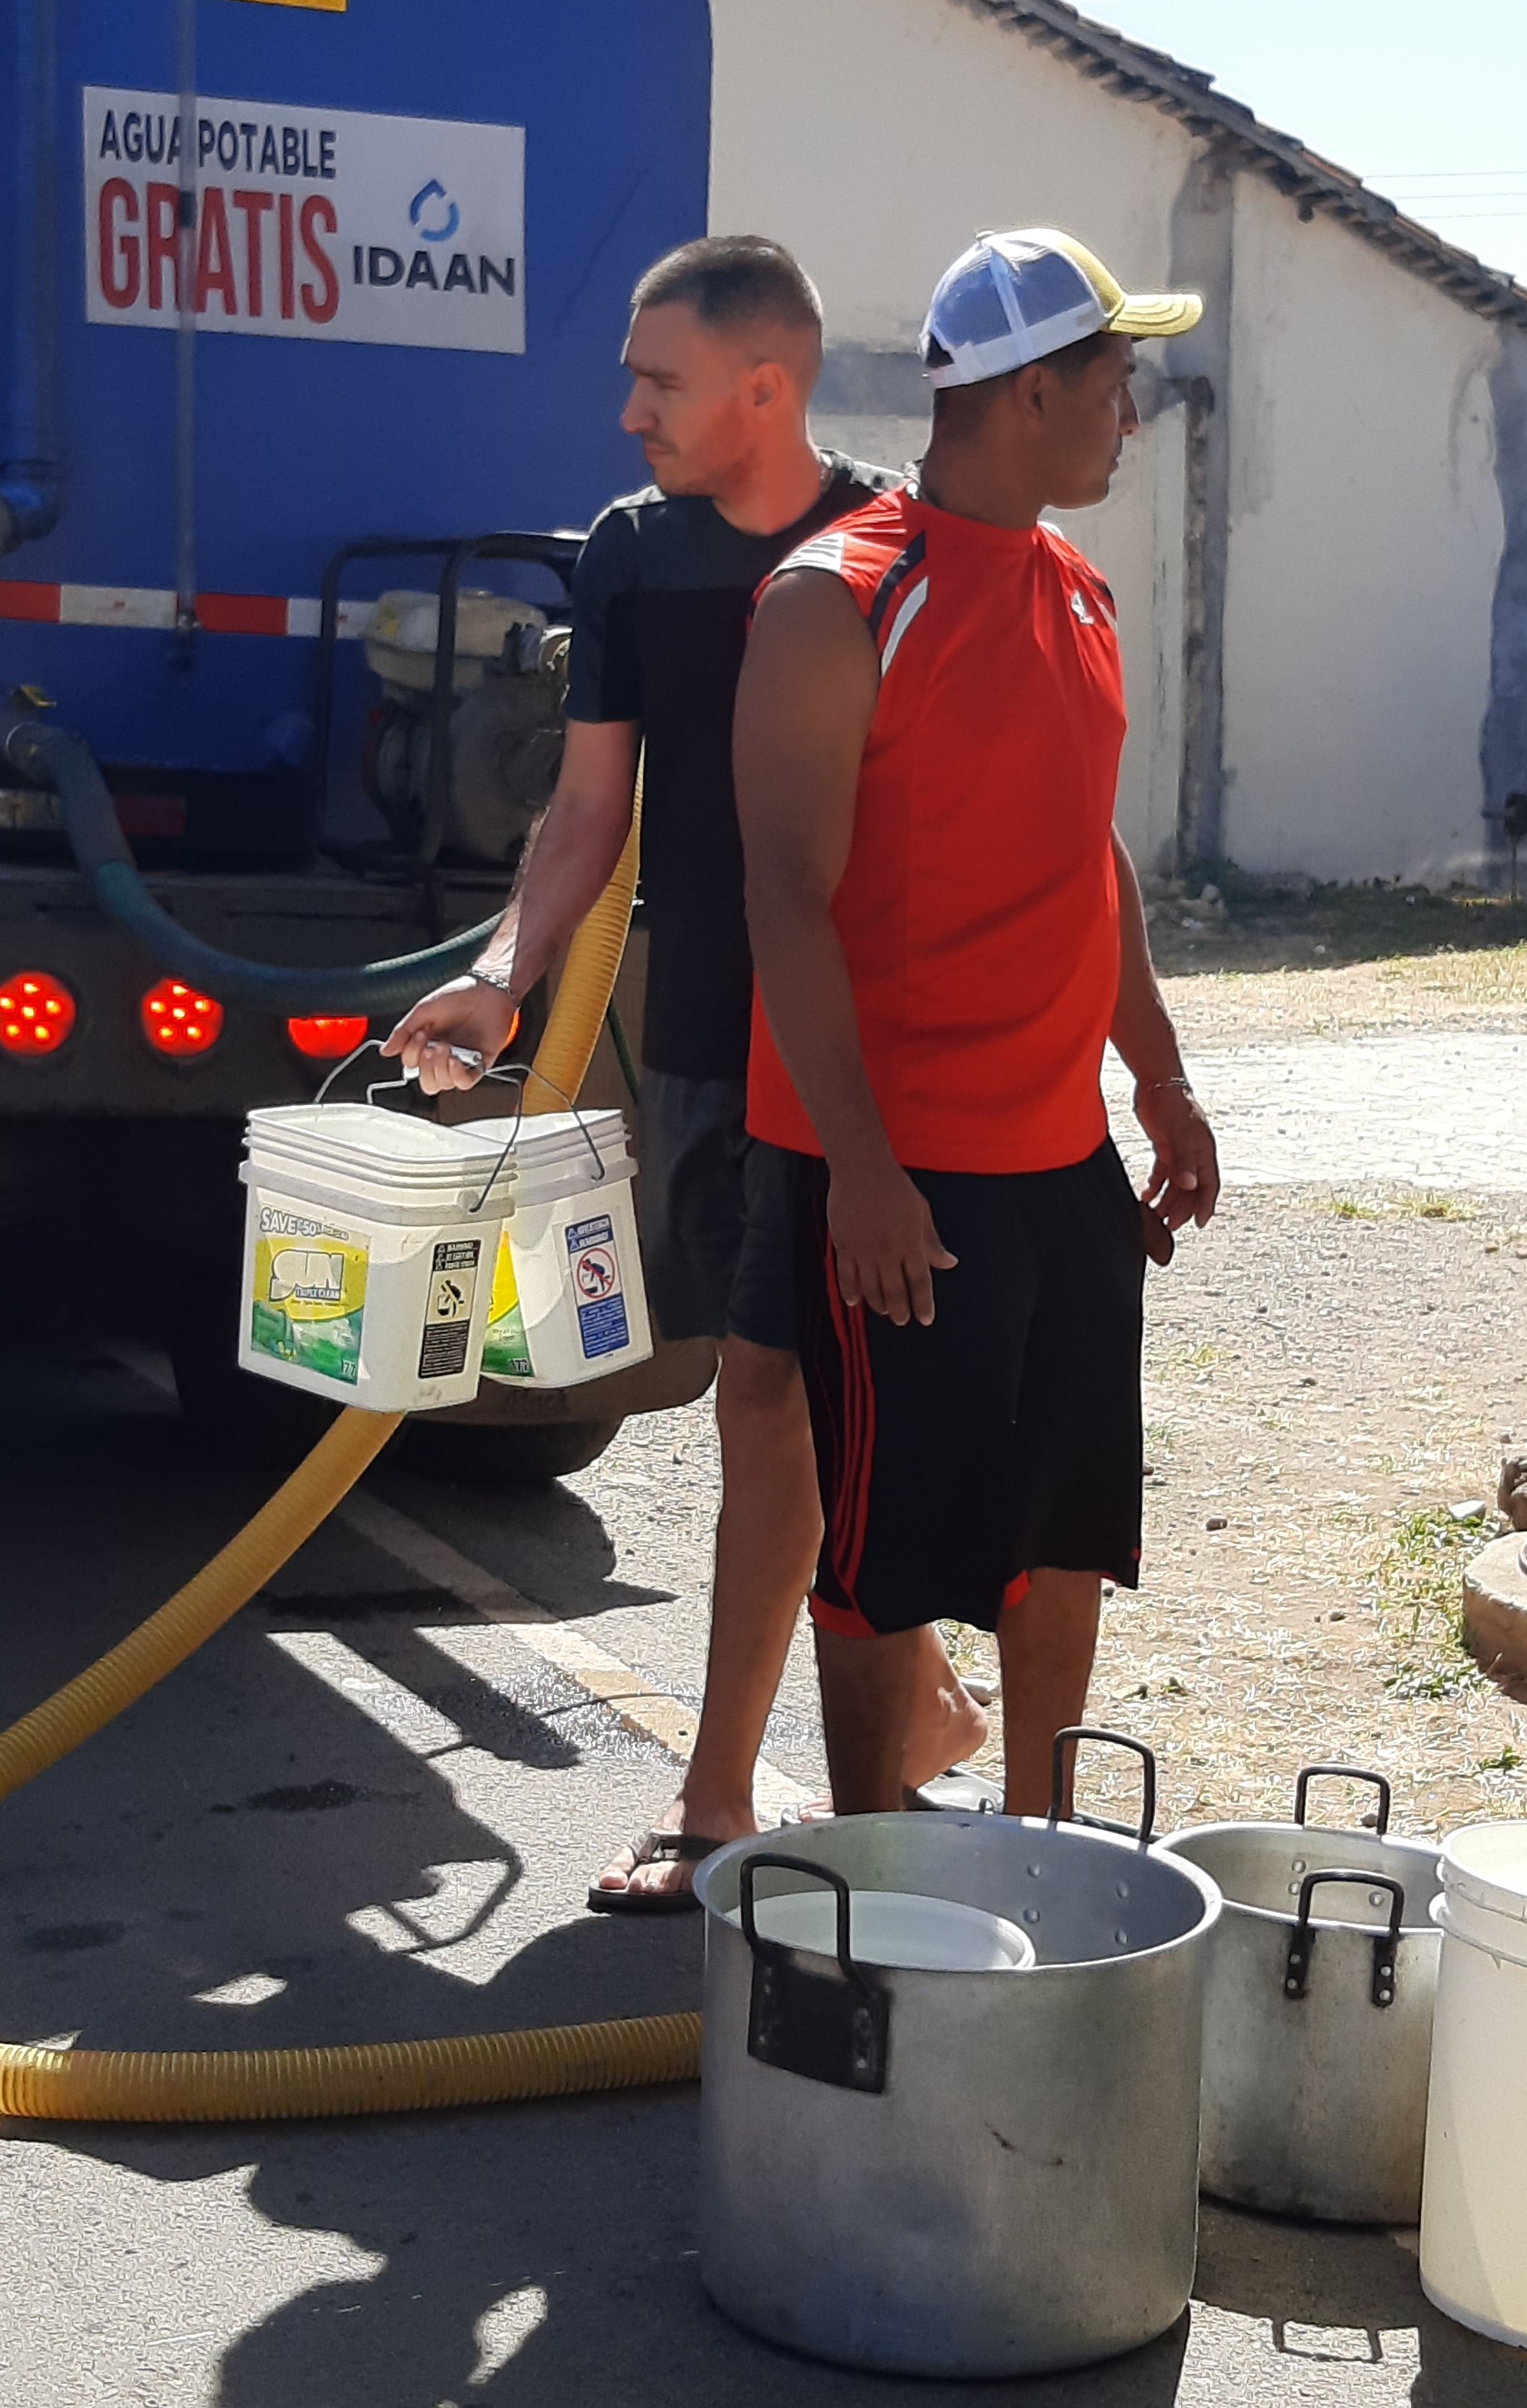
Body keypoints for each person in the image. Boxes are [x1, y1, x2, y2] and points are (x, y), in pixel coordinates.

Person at [388, 232, 981, 1911]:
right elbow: (589, 809)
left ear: (762, 387)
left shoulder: (886, 549)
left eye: (657, 379)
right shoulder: (632, 560)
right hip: (713, 1038)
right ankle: (911, 1703)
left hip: (860, 1060)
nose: (627, 407)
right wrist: (506, 980)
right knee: (778, 1391)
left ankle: (721, 1802)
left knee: (775, 1395)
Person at [730, 227, 1221, 1818]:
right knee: (887, 1561)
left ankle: (1046, 1845)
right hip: (898, 1173)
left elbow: (1088, 853)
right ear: (1025, 395)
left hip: (1057, 1153)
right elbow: (785, 897)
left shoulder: (1074, 590)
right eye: (1113, 382)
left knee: (1059, 1533)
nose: (1130, 416)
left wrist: (1158, 1076)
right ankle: (868, 1879)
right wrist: (862, 1168)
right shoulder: (836, 600)